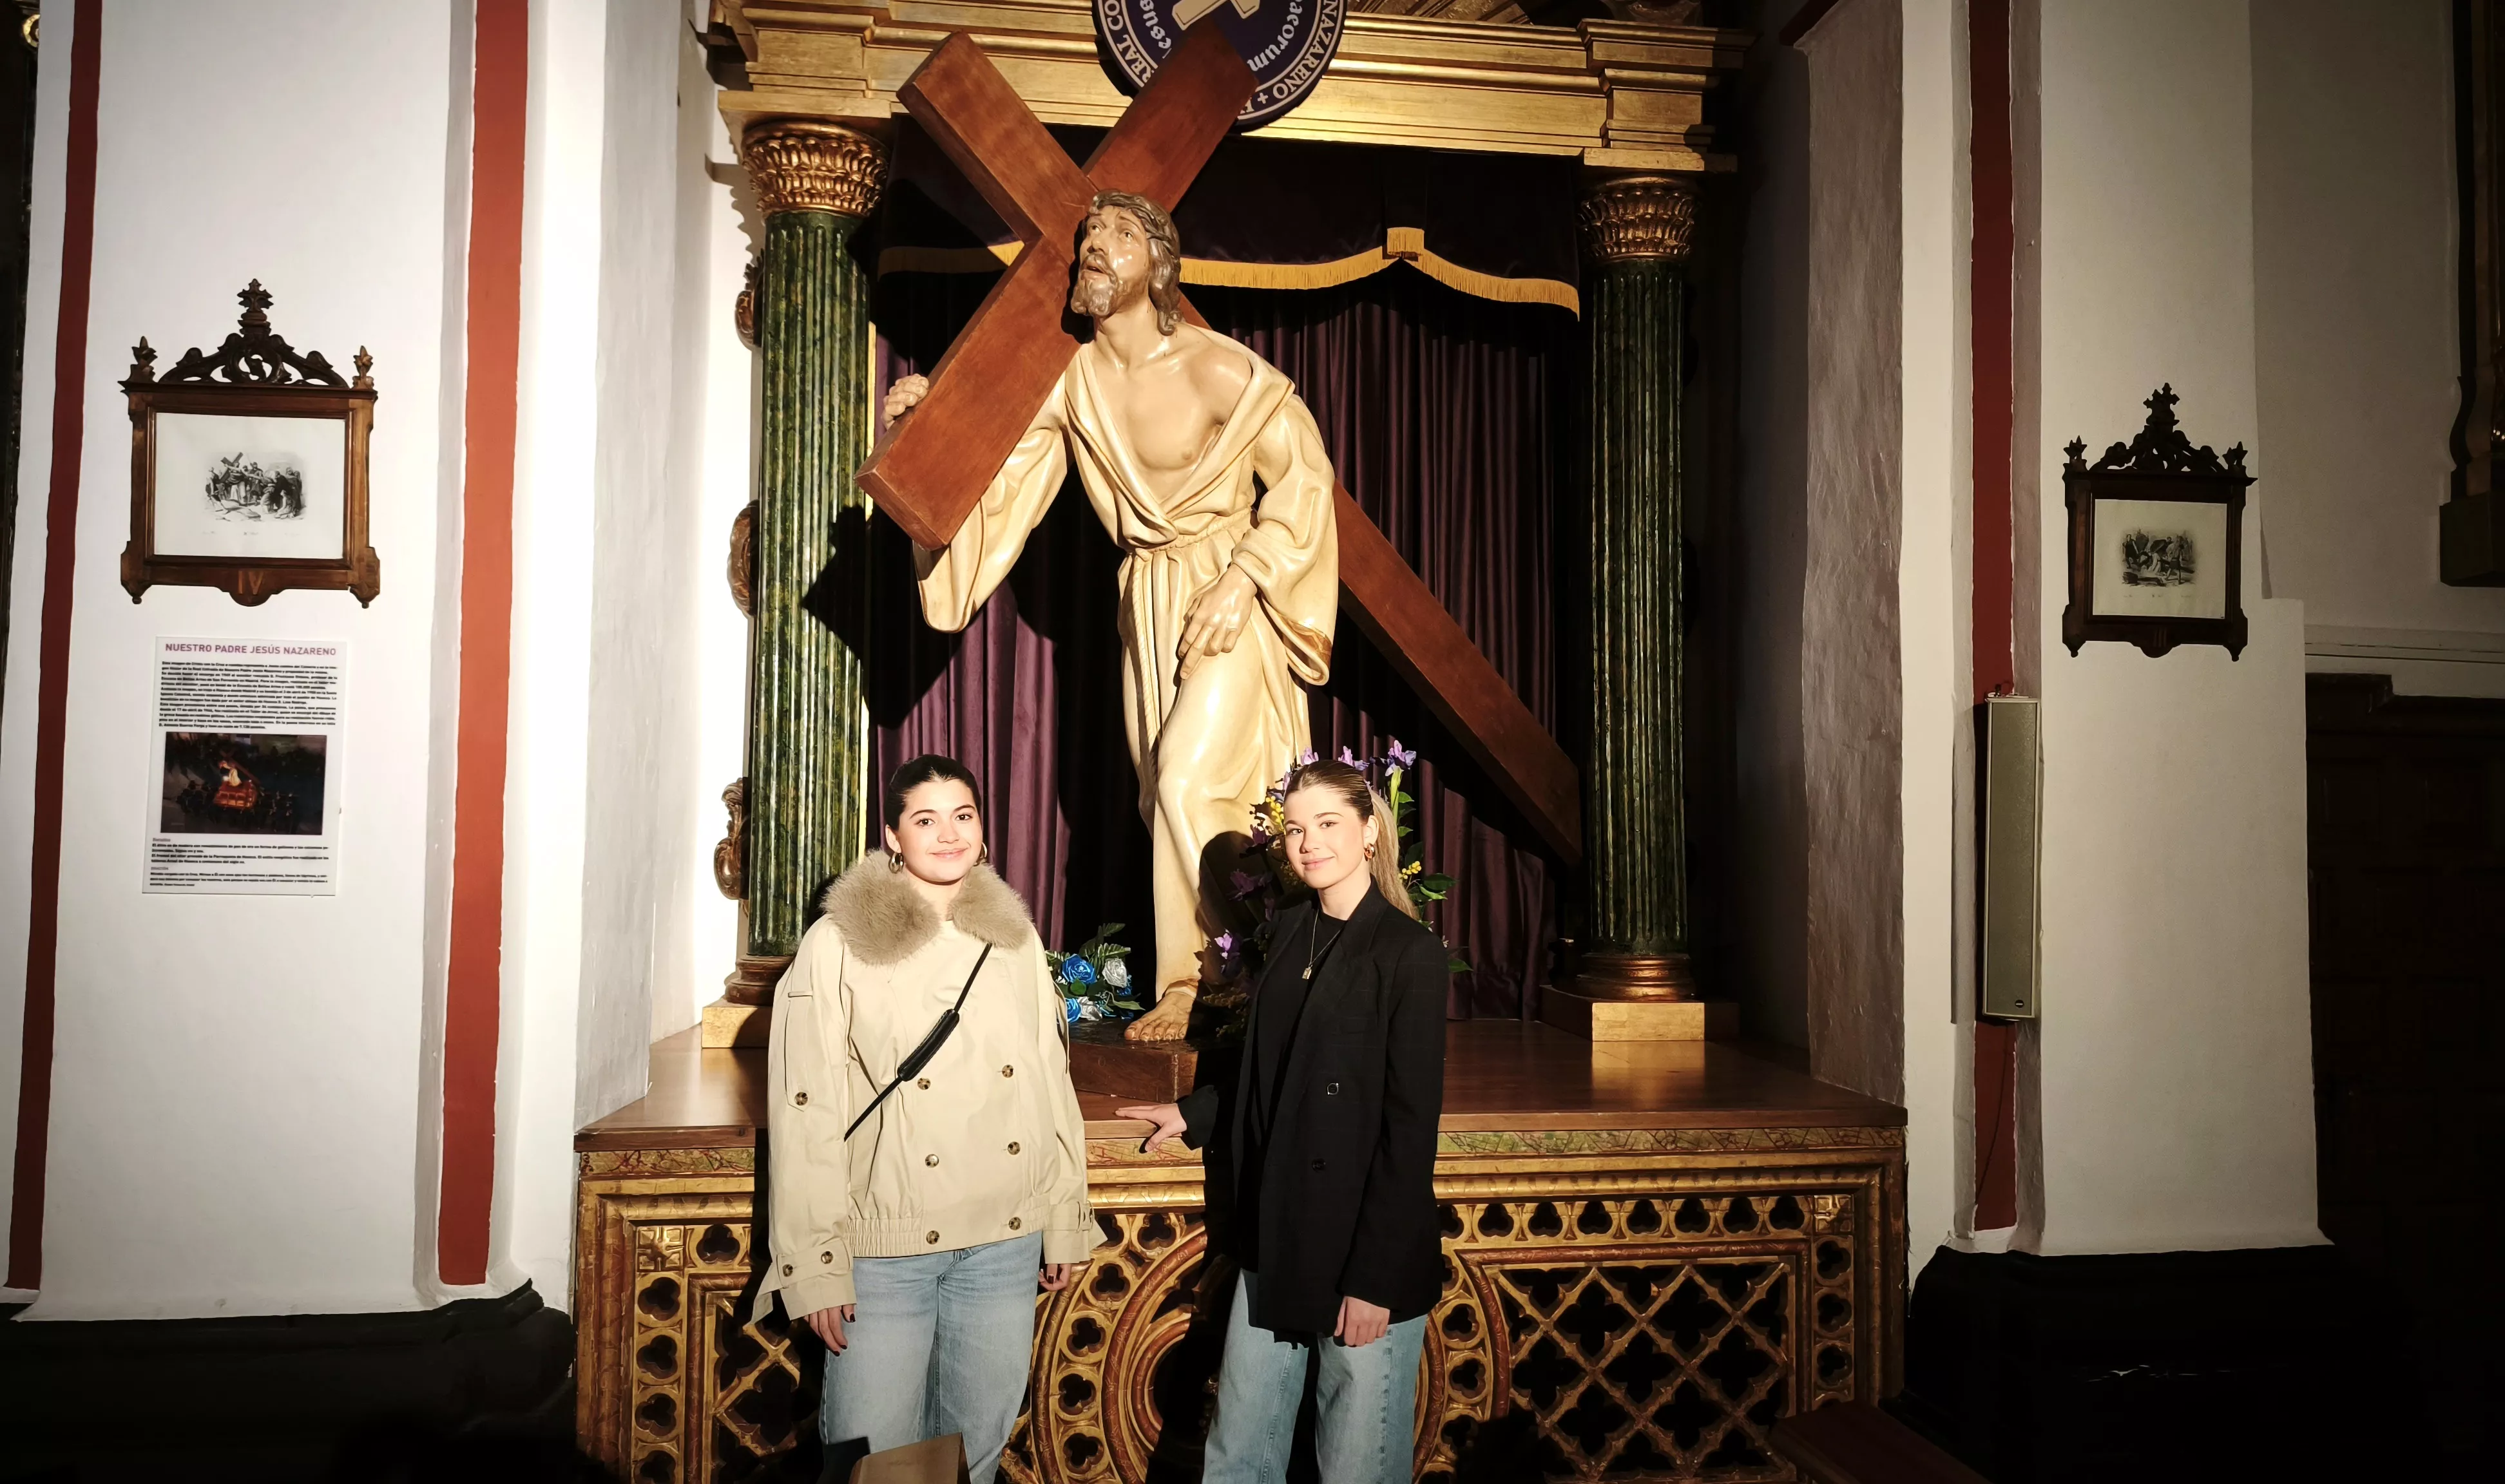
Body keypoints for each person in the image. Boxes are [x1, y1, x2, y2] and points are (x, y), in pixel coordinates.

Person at [886, 189, 1341, 1044]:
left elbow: (1305, 480)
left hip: (1227, 589)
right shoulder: (1074, 386)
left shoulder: (1215, 368)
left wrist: (1246, 578)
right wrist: (921, 445)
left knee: (1188, 780)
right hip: (1150, 600)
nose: (1096, 244)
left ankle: (1234, 977)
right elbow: (1001, 494)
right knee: (1167, 796)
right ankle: (1221, 976)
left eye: (1121, 232)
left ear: (1160, 264)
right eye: (1090, 233)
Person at [758, 754, 1100, 1484]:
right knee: (876, 1462)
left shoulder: (1014, 938)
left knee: (973, 1458)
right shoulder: (837, 942)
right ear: (893, 836)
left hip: (1005, 1242)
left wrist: (1065, 1217)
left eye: (963, 816)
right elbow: (805, 1109)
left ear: (983, 830)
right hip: (886, 1251)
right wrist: (815, 1265)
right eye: (926, 819)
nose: (949, 834)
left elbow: (1049, 1083)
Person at [1117, 758, 1450, 1484]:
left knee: (1355, 1468)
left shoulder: (1409, 953)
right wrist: (1195, 1111)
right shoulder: (1292, 929)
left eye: (1327, 824)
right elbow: (1273, 1066)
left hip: (1364, 1252)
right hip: (1279, 1236)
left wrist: (1374, 1281)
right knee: (1238, 1456)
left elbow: (1409, 1134)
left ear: (1370, 832)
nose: (1309, 843)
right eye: (1295, 830)